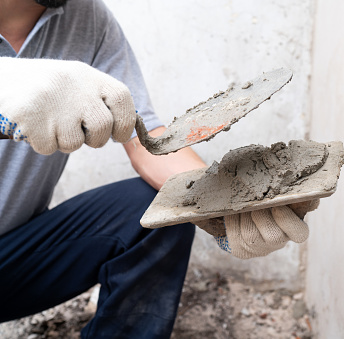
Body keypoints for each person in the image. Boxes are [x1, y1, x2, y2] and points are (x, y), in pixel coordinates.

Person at [0, 0, 314, 337]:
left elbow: (147, 141)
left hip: (13, 260)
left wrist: (228, 208)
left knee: (160, 209)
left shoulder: (86, 17)